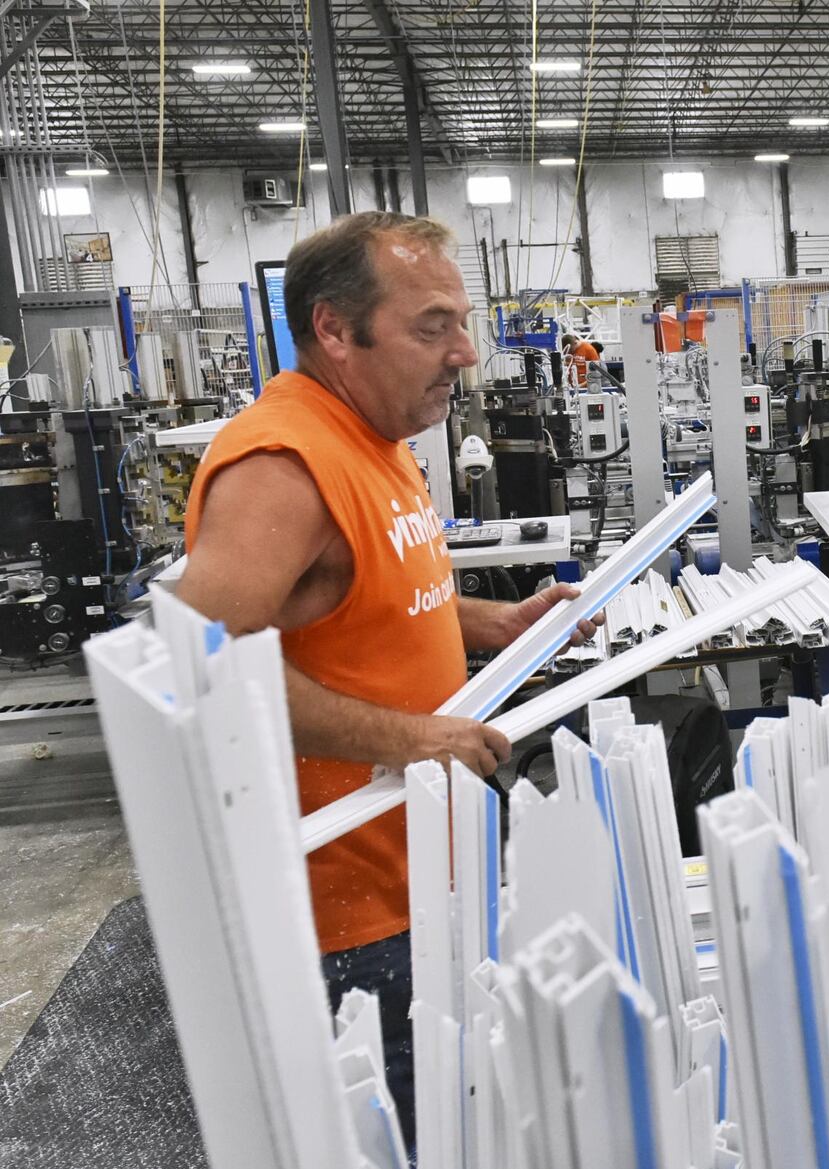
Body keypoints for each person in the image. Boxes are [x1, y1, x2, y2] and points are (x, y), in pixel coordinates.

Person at [176, 211, 597, 1148]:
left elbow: (383, 602)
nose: (466, 352)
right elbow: (197, 672)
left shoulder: (379, 438)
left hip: (428, 876)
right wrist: (414, 739)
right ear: (335, 329)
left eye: (462, 321)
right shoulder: (282, 466)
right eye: (432, 325)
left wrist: (500, 623)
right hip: (351, 922)